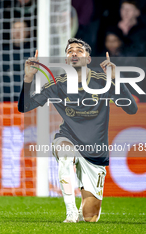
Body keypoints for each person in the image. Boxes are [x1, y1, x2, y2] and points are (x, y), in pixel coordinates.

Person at [18, 38, 137, 222]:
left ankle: (83, 207)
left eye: (79, 50)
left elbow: (132, 109)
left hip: (95, 150)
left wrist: (116, 78)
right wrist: (28, 79)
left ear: (88, 59)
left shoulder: (103, 82)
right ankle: (70, 212)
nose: (74, 53)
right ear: (67, 60)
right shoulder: (58, 84)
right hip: (68, 138)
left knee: (90, 217)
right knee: (65, 153)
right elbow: (24, 107)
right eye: (70, 50)